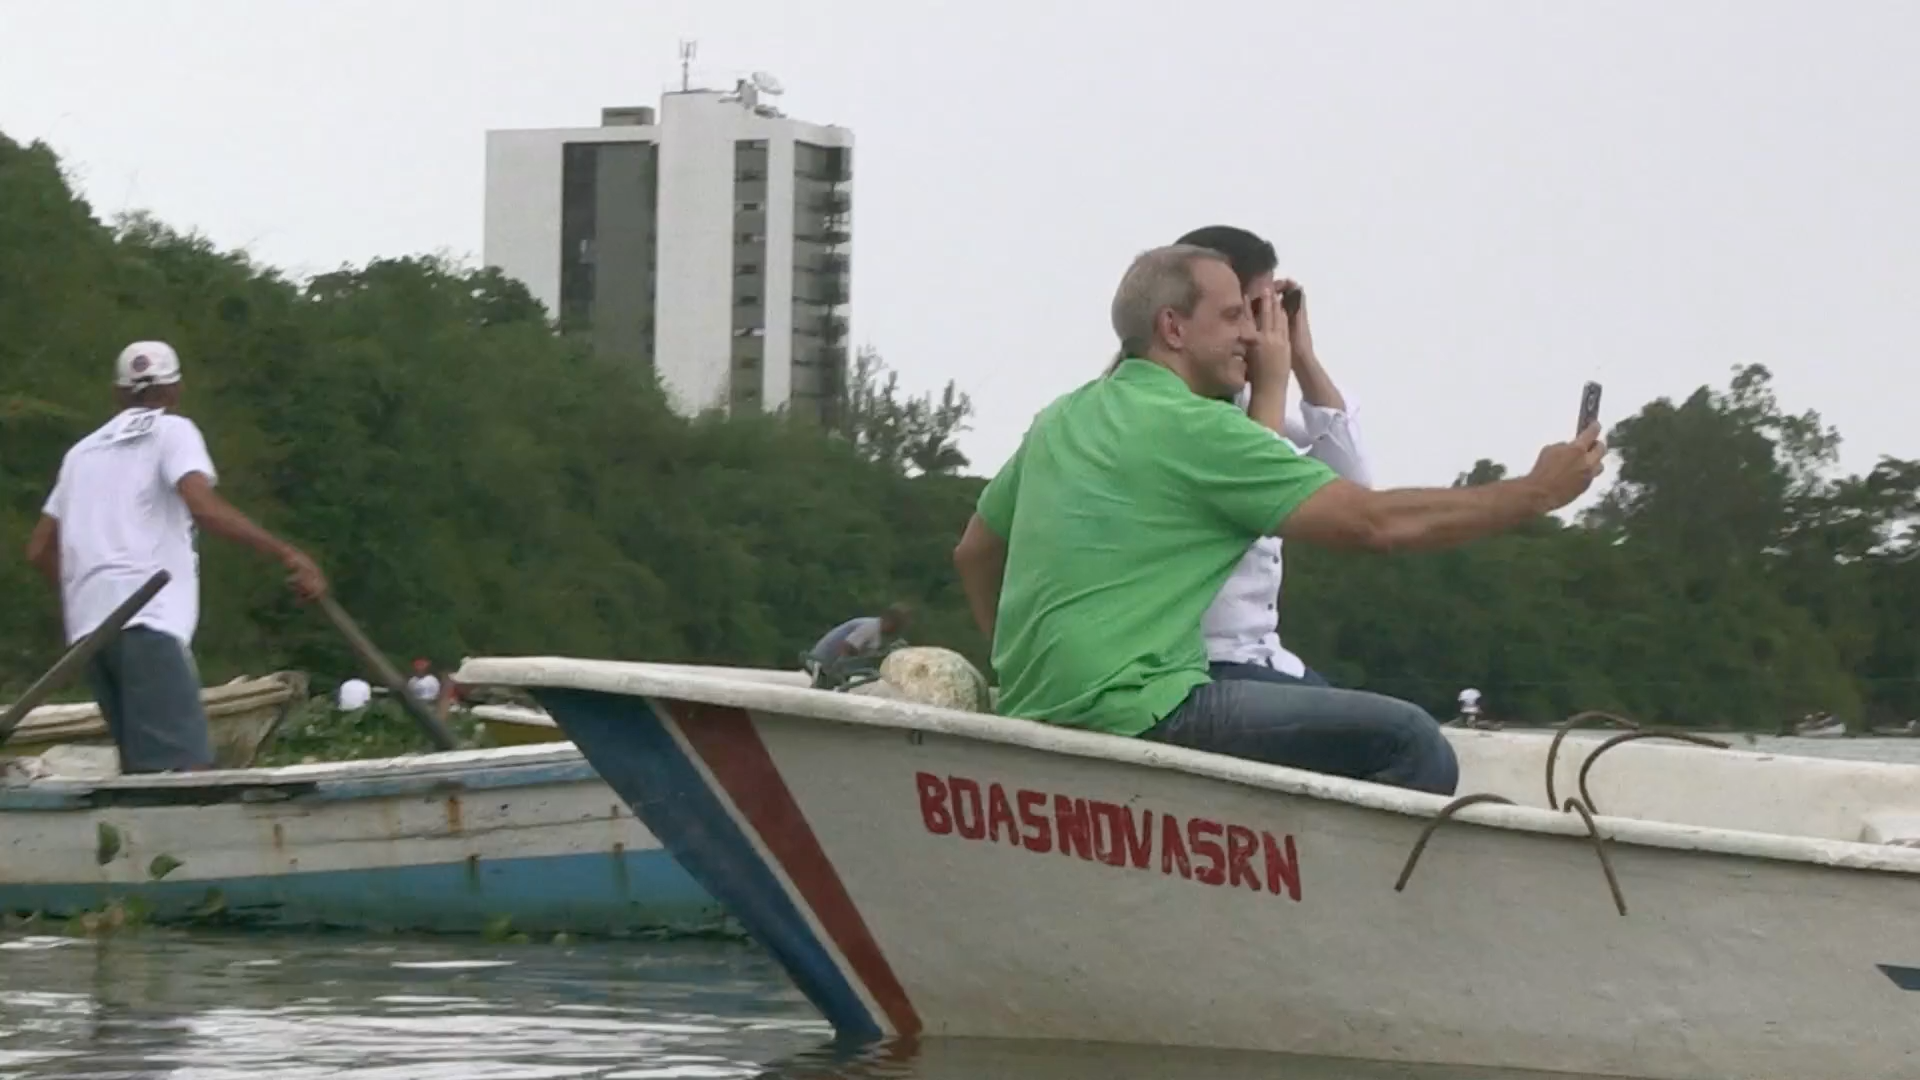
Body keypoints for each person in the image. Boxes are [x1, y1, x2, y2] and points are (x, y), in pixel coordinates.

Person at [951, 244, 1604, 795]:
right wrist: (1534, 492)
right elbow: (1372, 523)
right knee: (1411, 739)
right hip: (1142, 709)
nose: (1252, 334)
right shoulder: (1199, 429)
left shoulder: (1063, 416)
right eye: (1233, 315)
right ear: (1173, 328)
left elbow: (974, 552)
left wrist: (1019, 668)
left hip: (1038, 704)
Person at [24, 341, 328, 774]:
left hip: (91, 631)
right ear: (175, 390)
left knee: (142, 773)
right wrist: (287, 552)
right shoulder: (173, 431)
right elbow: (202, 506)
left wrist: (85, 592)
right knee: (185, 772)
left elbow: (38, 550)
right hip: (148, 620)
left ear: (118, 393)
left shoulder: (80, 454)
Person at [1172, 225, 1371, 688]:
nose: (1261, 331)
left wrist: (1302, 356)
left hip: (1262, 656)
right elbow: (1259, 496)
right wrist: (1272, 383)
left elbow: (1352, 483)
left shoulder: (1243, 403)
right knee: (1402, 729)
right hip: (1204, 661)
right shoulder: (1178, 412)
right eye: (1249, 312)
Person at [804, 603, 912, 686]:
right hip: (820, 666)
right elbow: (847, 647)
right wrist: (837, 674)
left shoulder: (880, 634)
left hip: (832, 669)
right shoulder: (870, 627)